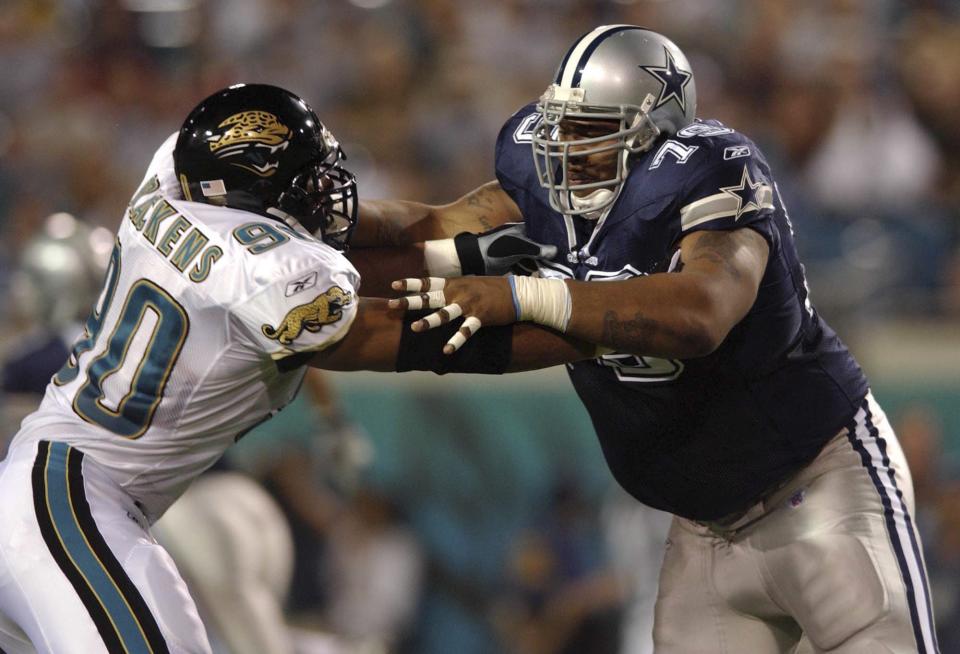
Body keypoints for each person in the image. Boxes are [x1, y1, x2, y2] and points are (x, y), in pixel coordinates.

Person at [364, 26, 940, 654]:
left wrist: (525, 295)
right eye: (562, 124)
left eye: (592, 129)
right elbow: (426, 233)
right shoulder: (540, 186)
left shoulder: (709, 174)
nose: (565, 147)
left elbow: (701, 313)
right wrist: (318, 227)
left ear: (657, 133)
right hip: (703, 528)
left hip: (820, 484)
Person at [0, 83, 590, 654]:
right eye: (307, 187)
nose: (327, 197)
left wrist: (461, 249)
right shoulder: (276, 278)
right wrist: (589, 326)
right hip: (70, 504)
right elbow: (437, 342)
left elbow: (323, 244)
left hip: (59, 488)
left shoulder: (169, 185)